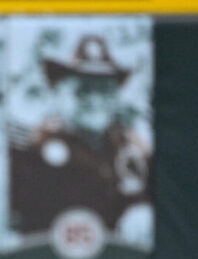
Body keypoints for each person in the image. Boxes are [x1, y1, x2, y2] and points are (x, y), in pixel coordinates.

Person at [9, 35, 152, 243]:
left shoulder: (128, 146)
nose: (95, 101)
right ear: (58, 94)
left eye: (105, 91)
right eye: (82, 91)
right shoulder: (35, 150)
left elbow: (140, 194)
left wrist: (141, 210)